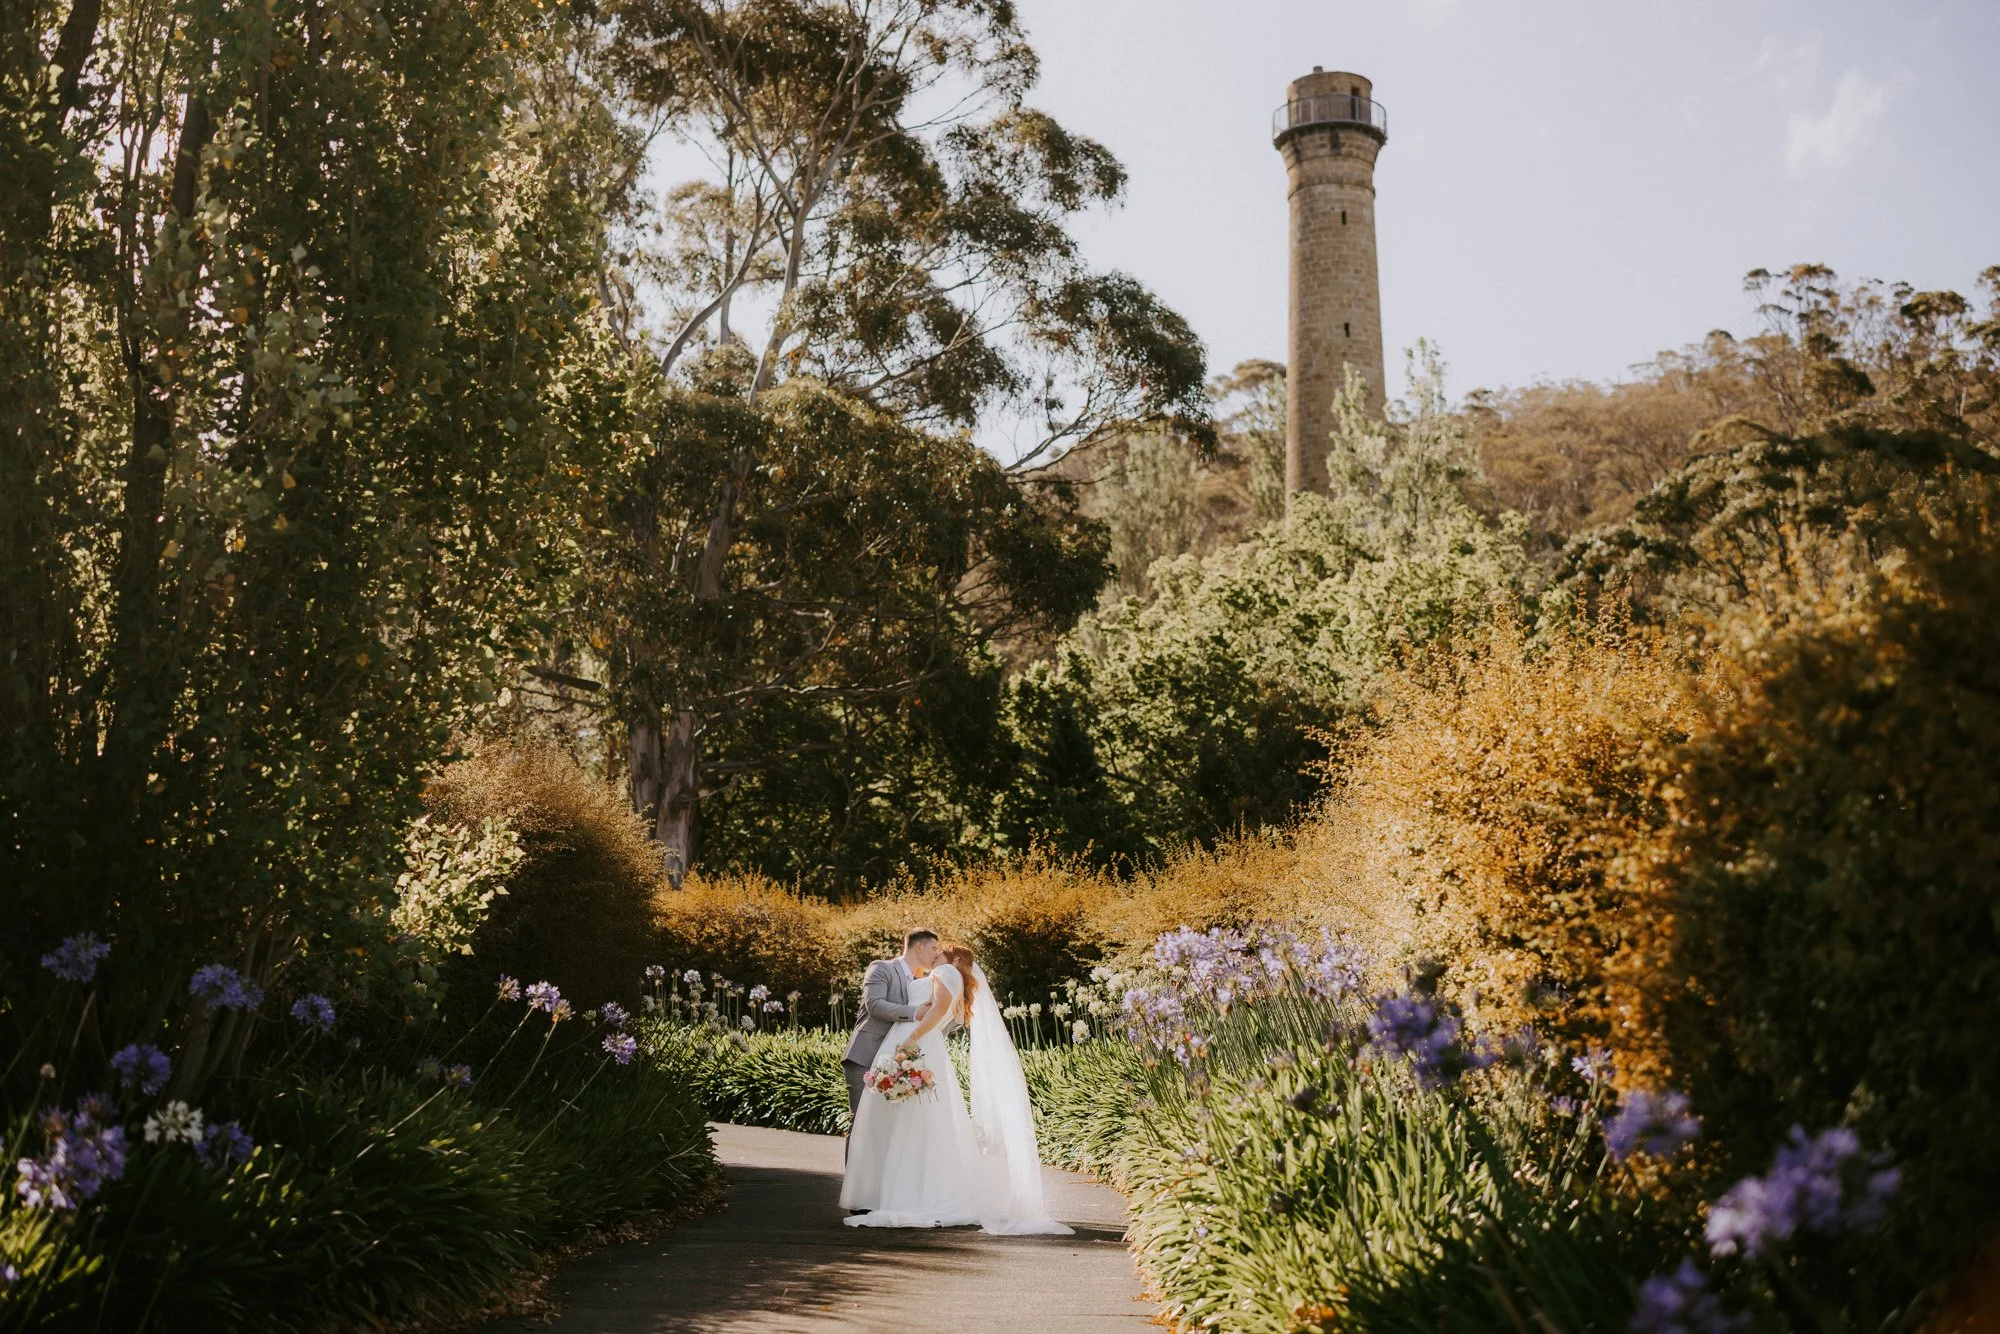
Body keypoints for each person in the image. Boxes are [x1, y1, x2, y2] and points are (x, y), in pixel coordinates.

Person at [839, 939, 1071, 1235]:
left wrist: (909, 1042)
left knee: (912, 1122)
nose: (935, 954)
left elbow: (936, 1012)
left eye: (940, 951)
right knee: (915, 1123)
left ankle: (908, 1194)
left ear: (953, 959)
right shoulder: (943, 975)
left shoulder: (945, 973)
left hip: (915, 1042)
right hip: (919, 1043)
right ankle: (897, 1191)